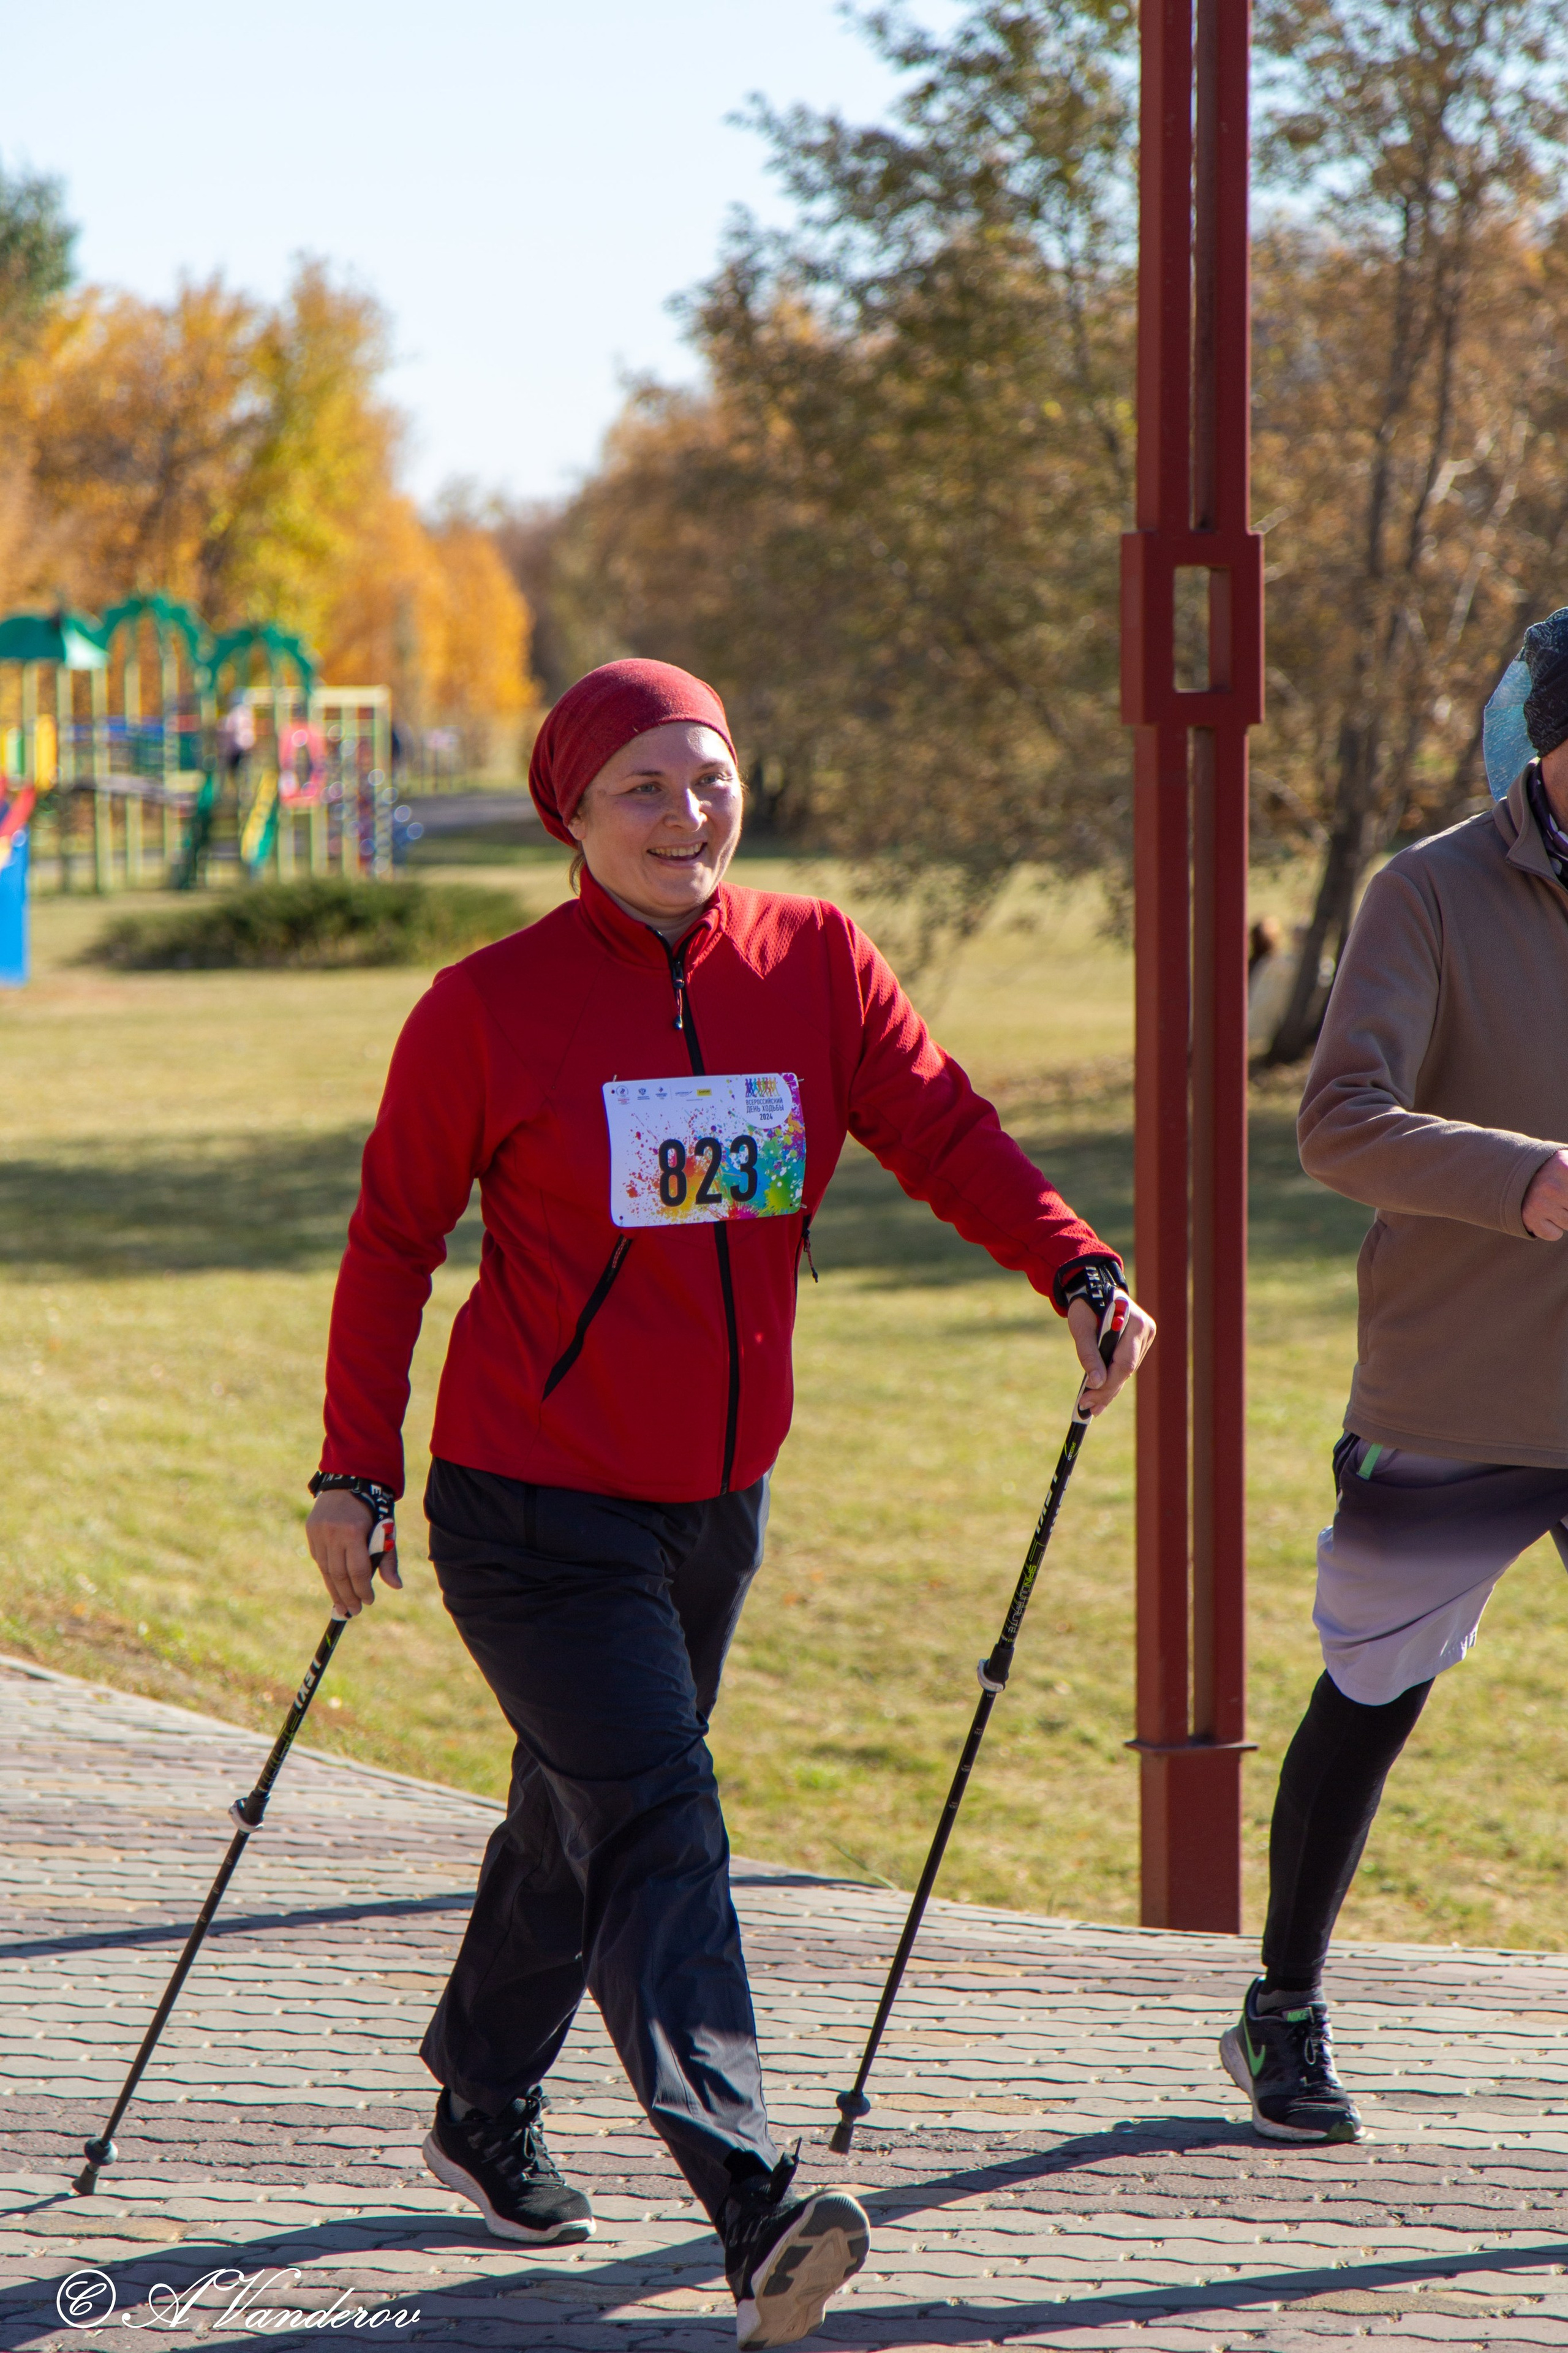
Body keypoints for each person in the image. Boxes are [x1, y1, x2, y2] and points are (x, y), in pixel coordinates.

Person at [306, 658, 1154, 2348]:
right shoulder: (488, 1008)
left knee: (587, 1806)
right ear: (572, 813)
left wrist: (1071, 1260)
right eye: (642, 787)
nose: (687, 815)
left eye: (710, 777)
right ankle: (754, 2198)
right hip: (529, 1507)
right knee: (660, 1816)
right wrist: (354, 1468)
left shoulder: (813, 961)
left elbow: (940, 1123)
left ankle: (478, 2100)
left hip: (712, 1500)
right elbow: (394, 1239)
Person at [1220, 607, 1568, 2143]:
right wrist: (1534, 1182)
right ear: (1547, 741)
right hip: (1459, 1392)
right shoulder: (1422, 893)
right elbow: (1336, 1122)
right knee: (1371, 1690)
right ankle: (1279, 2006)